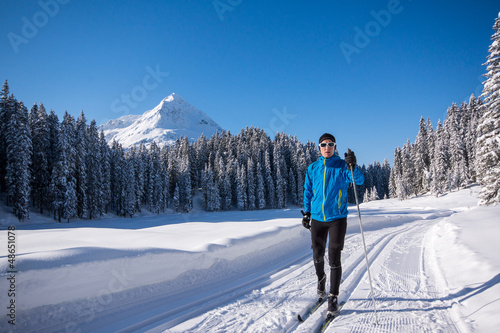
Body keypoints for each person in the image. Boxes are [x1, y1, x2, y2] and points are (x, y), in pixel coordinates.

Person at [302, 133, 364, 316]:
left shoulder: (342, 166)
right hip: (318, 219)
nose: (327, 147)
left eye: (330, 144)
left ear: (335, 147)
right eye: (323, 144)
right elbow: (307, 191)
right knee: (317, 254)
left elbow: (359, 180)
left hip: (337, 218)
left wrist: (353, 165)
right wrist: (307, 213)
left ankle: (333, 296)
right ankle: (321, 280)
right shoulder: (313, 168)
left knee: (334, 256)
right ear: (319, 147)